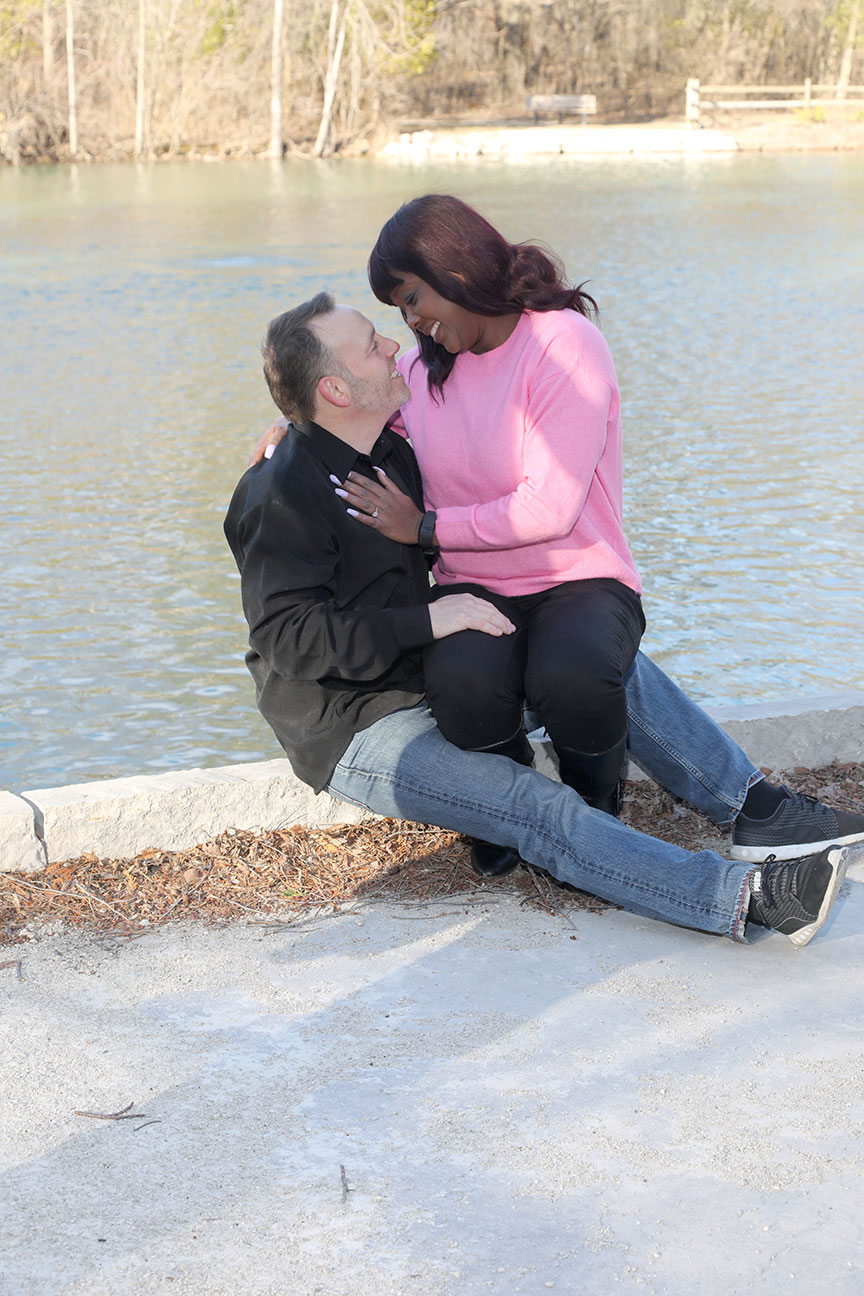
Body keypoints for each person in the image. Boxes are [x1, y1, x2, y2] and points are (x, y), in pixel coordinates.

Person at [252, 194, 864, 879]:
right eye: (397, 309)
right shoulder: (426, 369)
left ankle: (599, 813)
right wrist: (296, 432)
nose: (410, 321)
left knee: (574, 671)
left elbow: (548, 509)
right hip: (474, 586)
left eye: (413, 297)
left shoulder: (562, 344)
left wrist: (423, 527)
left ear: (456, 268)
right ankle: (508, 817)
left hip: (577, 577)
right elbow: (366, 419)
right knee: (461, 687)